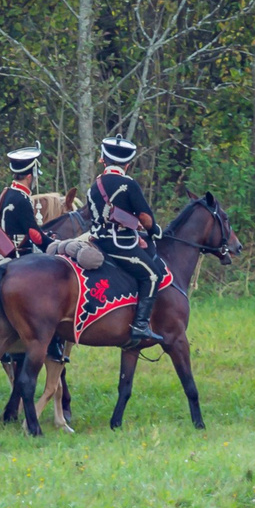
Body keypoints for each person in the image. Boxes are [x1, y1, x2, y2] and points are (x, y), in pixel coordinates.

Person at [87, 135, 166, 350]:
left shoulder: (94, 186)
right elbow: (145, 218)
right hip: (119, 244)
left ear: (103, 159)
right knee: (152, 274)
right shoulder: (128, 184)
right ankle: (140, 325)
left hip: (96, 241)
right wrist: (153, 230)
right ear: (127, 163)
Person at [0, 143, 47, 258]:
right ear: (29, 176)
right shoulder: (21, 199)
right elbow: (35, 235)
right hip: (20, 255)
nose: (37, 179)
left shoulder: (7, 193)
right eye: (36, 176)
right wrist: (54, 246)